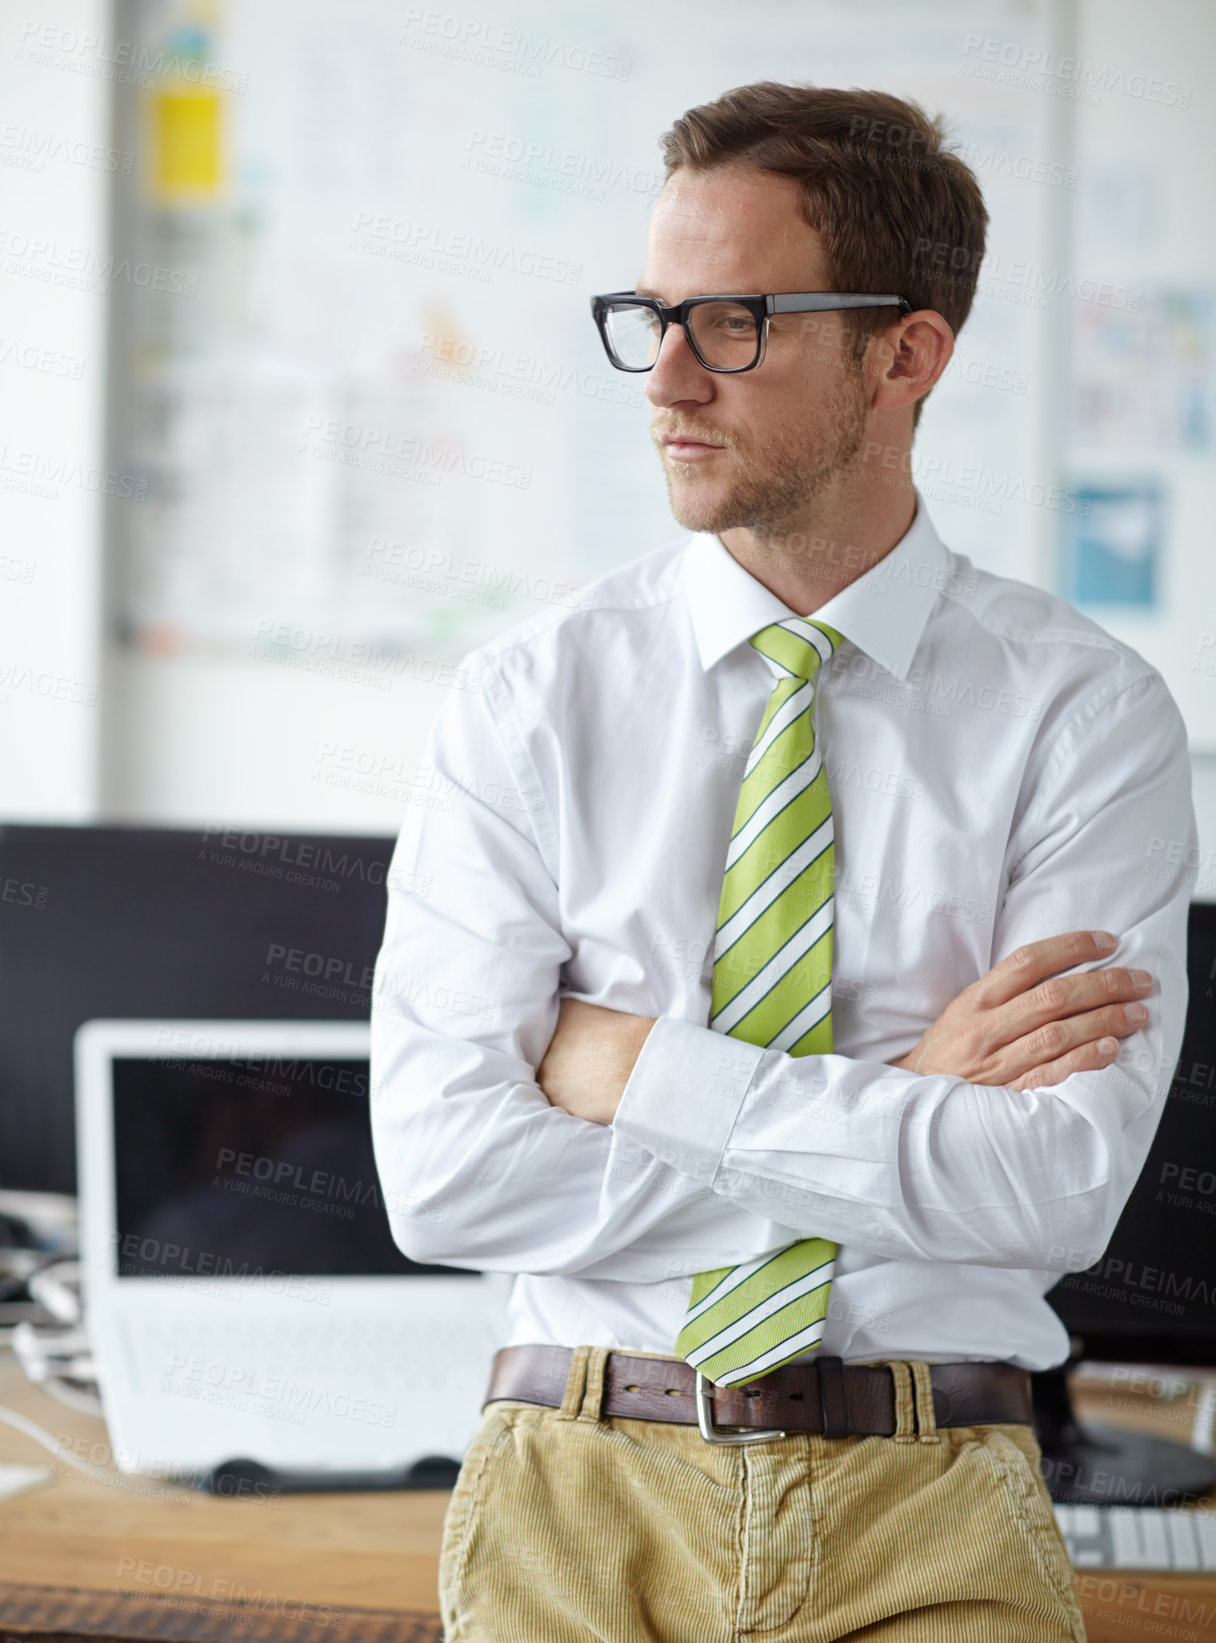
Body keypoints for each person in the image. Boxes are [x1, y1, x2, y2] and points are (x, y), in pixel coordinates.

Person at [369, 81, 1195, 1642]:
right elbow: (443, 1175)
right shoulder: (527, 701)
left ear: (907, 354)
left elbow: (1055, 1196)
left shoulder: (1087, 718)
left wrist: (636, 1068)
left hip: (933, 1489)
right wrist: (899, 1099)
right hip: (574, 1490)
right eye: (652, 316)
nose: (668, 379)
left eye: (735, 321)